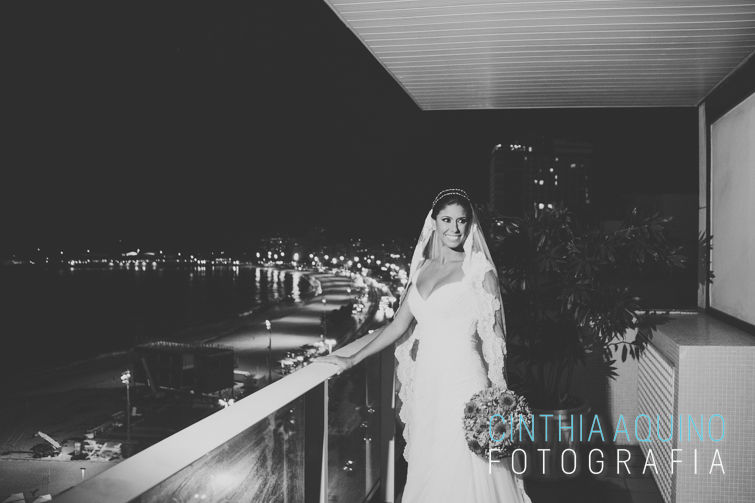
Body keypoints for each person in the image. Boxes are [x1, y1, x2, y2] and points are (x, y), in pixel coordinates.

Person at [317, 188, 531, 502]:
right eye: (447, 219)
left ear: (470, 224)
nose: (454, 228)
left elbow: (497, 338)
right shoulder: (421, 269)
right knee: (429, 466)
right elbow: (398, 325)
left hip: (464, 383)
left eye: (461, 220)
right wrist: (351, 360)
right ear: (434, 221)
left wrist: (499, 396)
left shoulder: (479, 271)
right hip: (427, 384)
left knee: (463, 466)